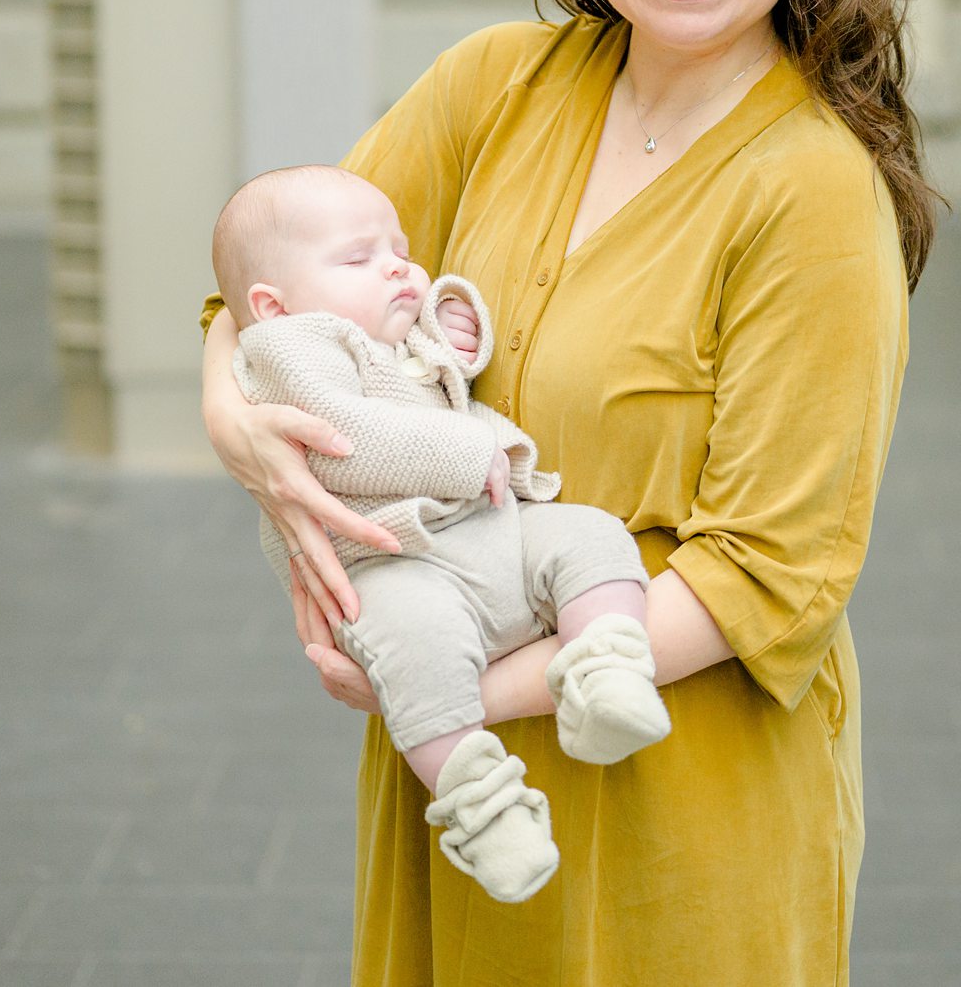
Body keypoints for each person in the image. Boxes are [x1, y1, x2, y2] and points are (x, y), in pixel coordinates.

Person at [201, 0, 934, 985]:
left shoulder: (813, 188)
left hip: (675, 778)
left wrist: (442, 694)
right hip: (464, 789)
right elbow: (255, 296)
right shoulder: (496, 86)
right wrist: (239, 428)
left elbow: (775, 570)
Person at [210, 164, 673, 903]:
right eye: (361, 258)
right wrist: (467, 452)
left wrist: (447, 329)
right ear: (274, 303)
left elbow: (427, 376)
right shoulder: (291, 348)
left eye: (399, 247)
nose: (397, 262)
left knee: (590, 536)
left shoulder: (369, 335)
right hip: (391, 562)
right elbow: (345, 436)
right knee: (417, 655)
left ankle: (605, 666)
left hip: (485, 529)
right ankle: (485, 807)